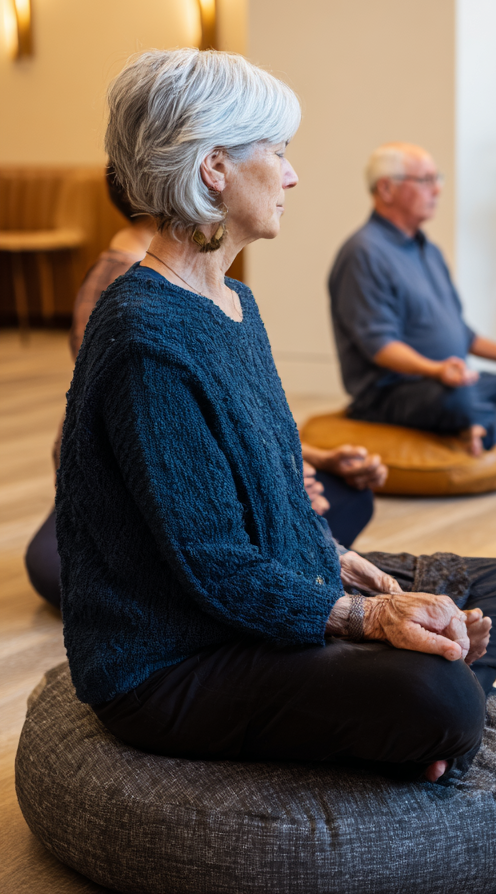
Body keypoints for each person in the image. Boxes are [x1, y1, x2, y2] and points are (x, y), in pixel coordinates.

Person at [57, 49, 496, 783]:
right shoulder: (144, 337)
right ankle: (440, 718)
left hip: (257, 600)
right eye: (278, 152)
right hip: (177, 657)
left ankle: (427, 732)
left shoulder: (234, 303)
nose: (292, 174)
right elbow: (211, 560)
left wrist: (344, 568)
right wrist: (368, 620)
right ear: (214, 168)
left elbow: (279, 482)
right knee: (438, 694)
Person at [25, 167, 386, 609]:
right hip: (144, 494)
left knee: (349, 494)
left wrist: (303, 462)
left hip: (191, 470)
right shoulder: (133, 303)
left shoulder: (220, 291)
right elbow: (156, 436)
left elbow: (220, 413)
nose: (290, 176)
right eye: (274, 154)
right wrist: (277, 488)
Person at [329, 142, 496, 456]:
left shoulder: (429, 251)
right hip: (395, 393)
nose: (437, 190)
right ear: (386, 189)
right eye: (425, 180)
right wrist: (436, 371)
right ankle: (483, 421)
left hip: (454, 380)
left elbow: (464, 335)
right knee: (458, 399)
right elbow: (379, 347)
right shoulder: (362, 253)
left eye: (437, 179)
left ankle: (484, 429)